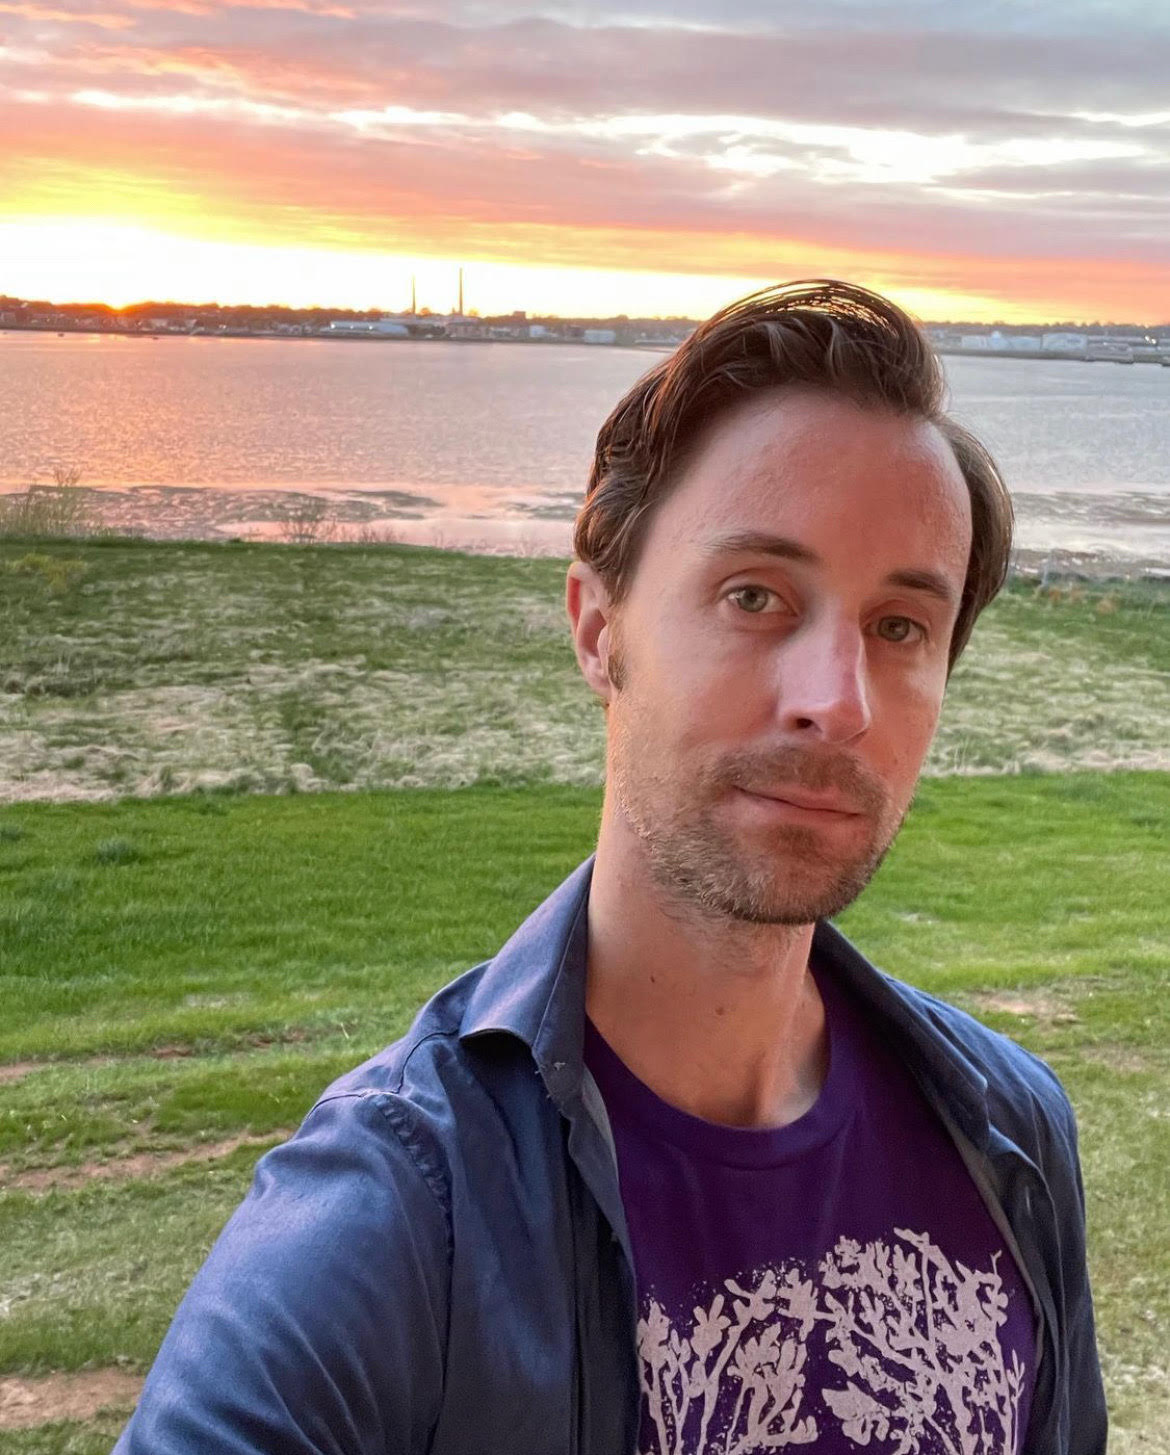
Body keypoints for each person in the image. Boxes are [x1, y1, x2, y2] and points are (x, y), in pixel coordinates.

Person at [114, 280, 1106, 1455]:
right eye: (754, 596)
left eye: (900, 627)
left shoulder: (1008, 1137)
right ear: (598, 627)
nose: (835, 703)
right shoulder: (406, 1216)